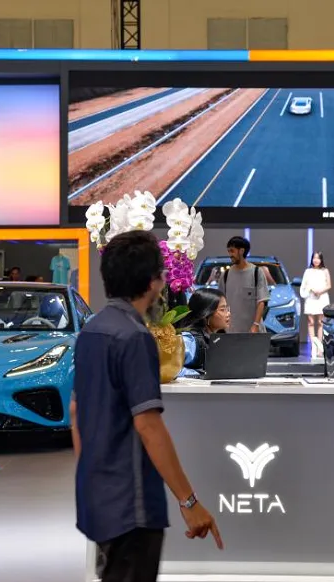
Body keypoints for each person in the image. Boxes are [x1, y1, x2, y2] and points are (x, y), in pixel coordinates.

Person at [70, 230, 223, 582]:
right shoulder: (135, 337)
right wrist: (189, 502)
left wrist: (89, 476)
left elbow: (76, 412)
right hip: (132, 502)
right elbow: (148, 425)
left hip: (98, 494)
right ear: (153, 281)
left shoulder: (91, 331)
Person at [218, 236, 269, 333]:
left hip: (253, 332)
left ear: (241, 251)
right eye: (228, 251)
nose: (230, 255)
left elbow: (261, 301)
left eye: (232, 251)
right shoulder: (226, 275)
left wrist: (256, 325)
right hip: (231, 332)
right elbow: (220, 302)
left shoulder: (256, 272)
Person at [175, 288, 231, 377]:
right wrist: (201, 374)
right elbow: (173, 370)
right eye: (222, 309)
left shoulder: (219, 339)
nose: (228, 314)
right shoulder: (188, 341)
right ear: (206, 314)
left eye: (227, 309)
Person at [300, 252, 331, 358]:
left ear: (321, 260)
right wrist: (311, 289)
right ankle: (313, 346)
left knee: (320, 323)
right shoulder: (307, 271)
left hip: (322, 298)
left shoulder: (325, 271)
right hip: (310, 298)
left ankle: (320, 348)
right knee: (311, 322)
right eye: (314, 258)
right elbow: (304, 285)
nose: (316, 260)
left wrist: (320, 291)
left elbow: (329, 285)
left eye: (318, 258)